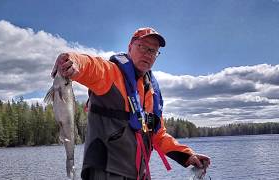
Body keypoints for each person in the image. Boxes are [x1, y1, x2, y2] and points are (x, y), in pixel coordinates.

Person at [54, 27, 210, 180]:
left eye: (153, 51)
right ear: (130, 47)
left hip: (138, 174)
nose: (147, 54)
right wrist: (72, 61)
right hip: (106, 171)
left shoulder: (151, 91)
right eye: (142, 47)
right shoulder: (111, 74)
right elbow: (91, 66)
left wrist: (187, 156)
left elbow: (158, 134)